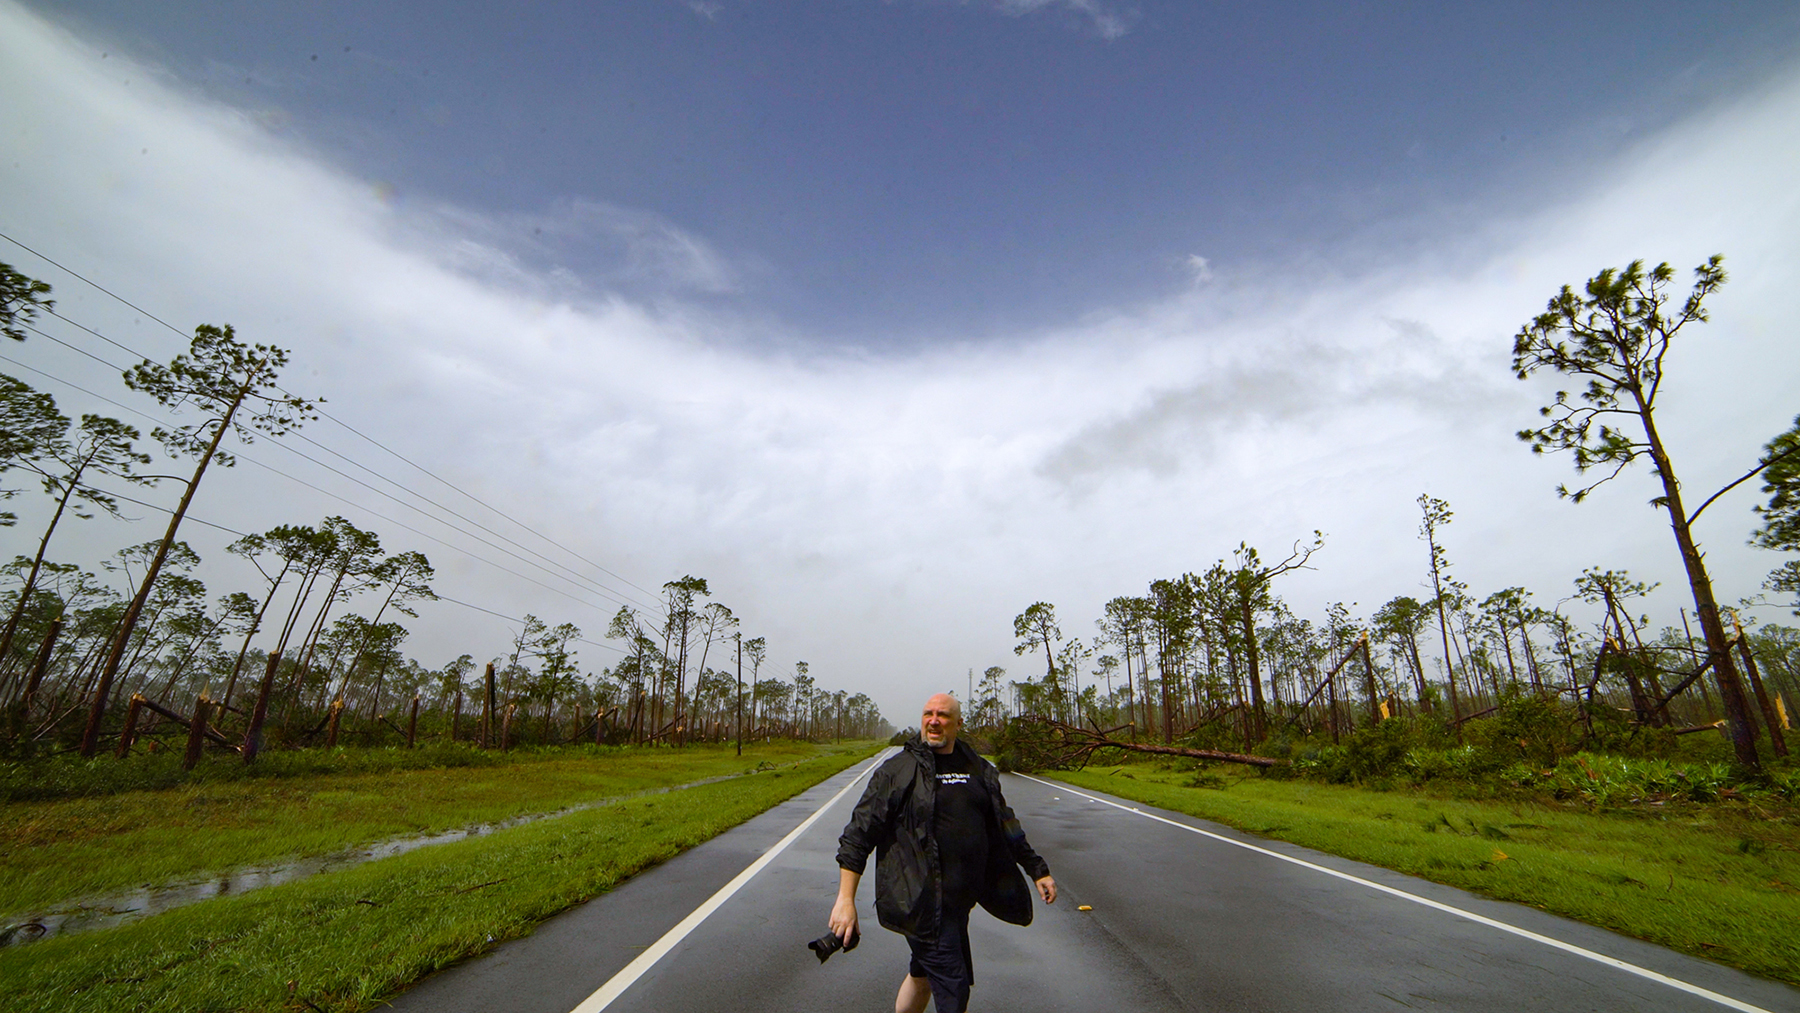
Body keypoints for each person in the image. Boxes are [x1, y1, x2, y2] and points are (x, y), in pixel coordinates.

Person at [831, 693, 1056, 1013]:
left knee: (922, 976)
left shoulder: (977, 768)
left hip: (957, 903)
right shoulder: (898, 771)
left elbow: (1005, 825)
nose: (934, 720)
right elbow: (858, 835)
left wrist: (1037, 868)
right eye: (928, 713)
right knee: (954, 989)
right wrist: (845, 900)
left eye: (943, 715)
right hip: (919, 900)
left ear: (959, 723)